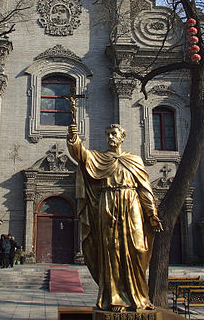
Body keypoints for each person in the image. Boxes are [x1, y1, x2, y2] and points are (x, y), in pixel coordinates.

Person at [67, 123, 163, 313]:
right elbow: (80, 154)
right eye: (108, 134)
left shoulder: (134, 160)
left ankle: (140, 298)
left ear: (122, 136)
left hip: (131, 203)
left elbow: (145, 188)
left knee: (138, 248)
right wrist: (73, 138)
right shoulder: (99, 158)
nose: (110, 137)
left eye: (114, 133)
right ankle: (115, 298)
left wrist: (151, 213)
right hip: (108, 204)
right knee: (111, 249)